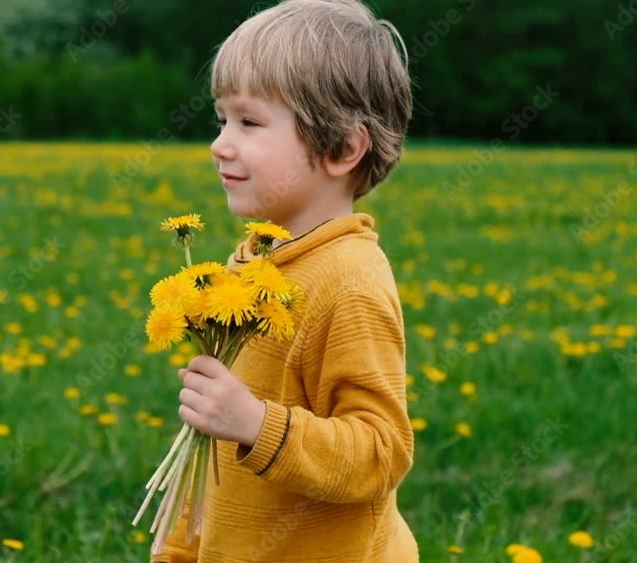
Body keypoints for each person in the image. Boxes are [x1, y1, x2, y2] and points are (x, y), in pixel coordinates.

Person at [152, 0, 416, 561]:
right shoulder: (251, 264)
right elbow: (214, 456)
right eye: (220, 119)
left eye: (248, 122)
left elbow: (381, 452)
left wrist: (255, 423)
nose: (220, 143)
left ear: (342, 147)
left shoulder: (349, 283)